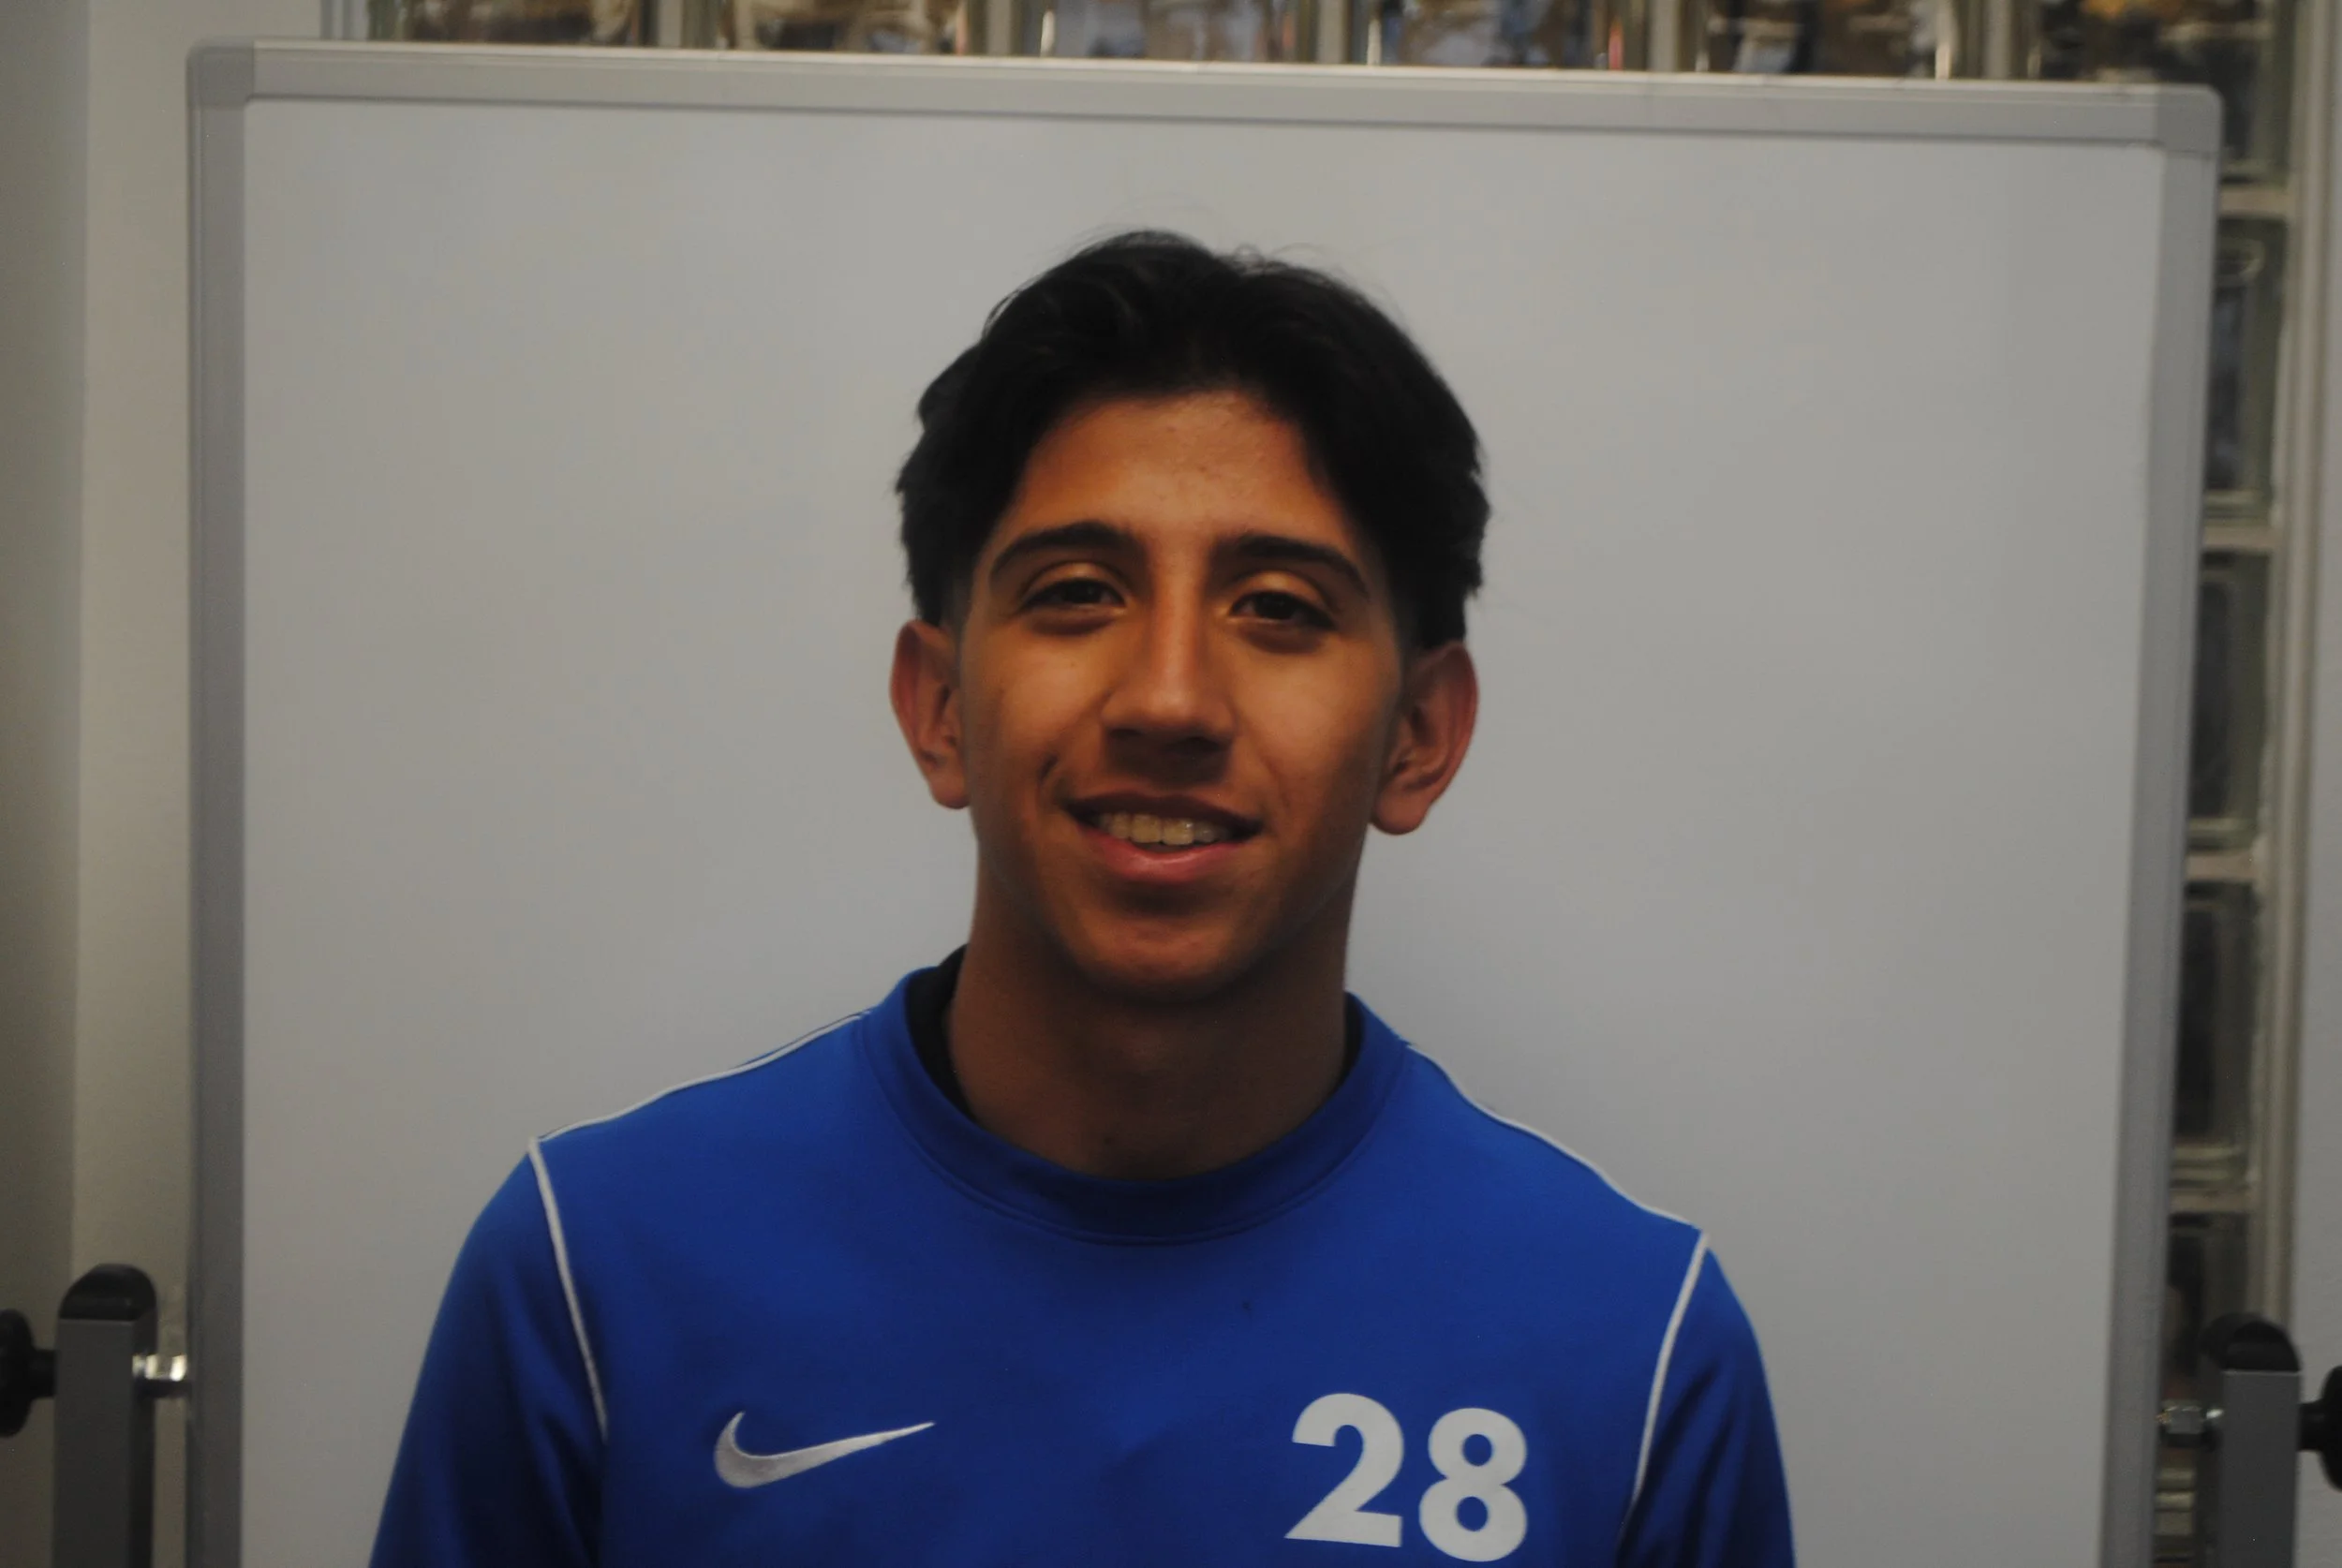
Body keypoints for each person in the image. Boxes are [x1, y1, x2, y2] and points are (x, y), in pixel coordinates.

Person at [370, 231, 1794, 1566]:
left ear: (1418, 736)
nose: (1169, 696)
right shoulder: (593, 1273)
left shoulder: (1639, 1345)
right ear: (938, 708)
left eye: (1280, 608)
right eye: (1076, 591)